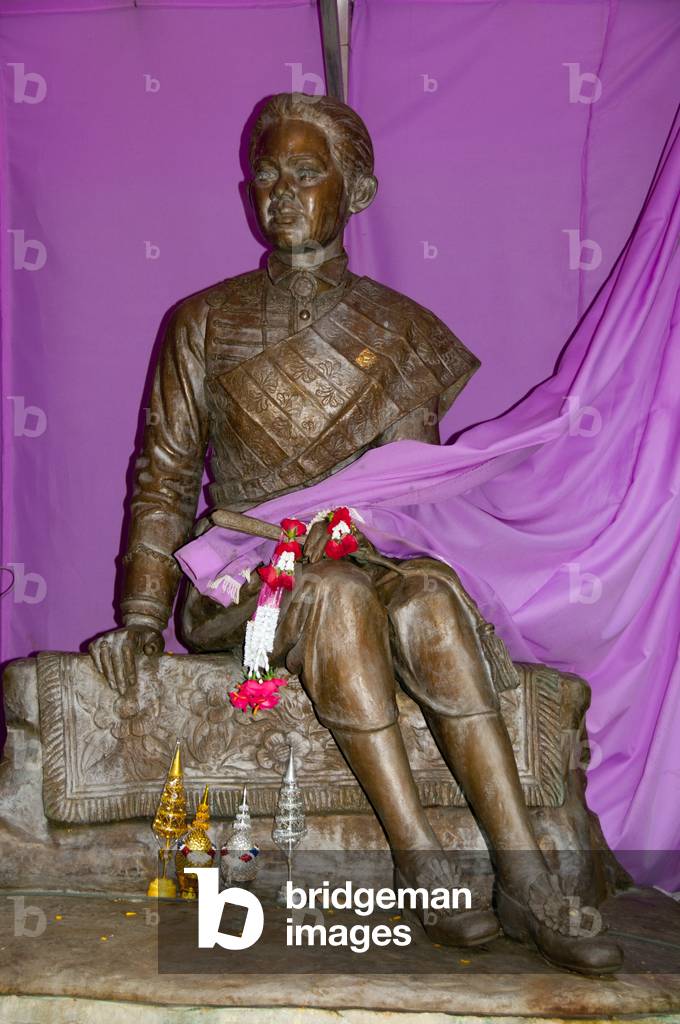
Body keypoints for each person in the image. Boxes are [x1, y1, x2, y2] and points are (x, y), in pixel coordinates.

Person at [90, 92, 622, 974]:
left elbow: (405, 492)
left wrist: (392, 541)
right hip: (242, 585)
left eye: (306, 173)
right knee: (332, 599)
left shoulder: (405, 333)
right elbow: (163, 475)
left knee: (424, 603)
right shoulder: (203, 323)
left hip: (367, 559)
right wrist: (142, 617)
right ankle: (419, 861)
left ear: (359, 189)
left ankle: (527, 881)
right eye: (266, 175)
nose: (281, 192)